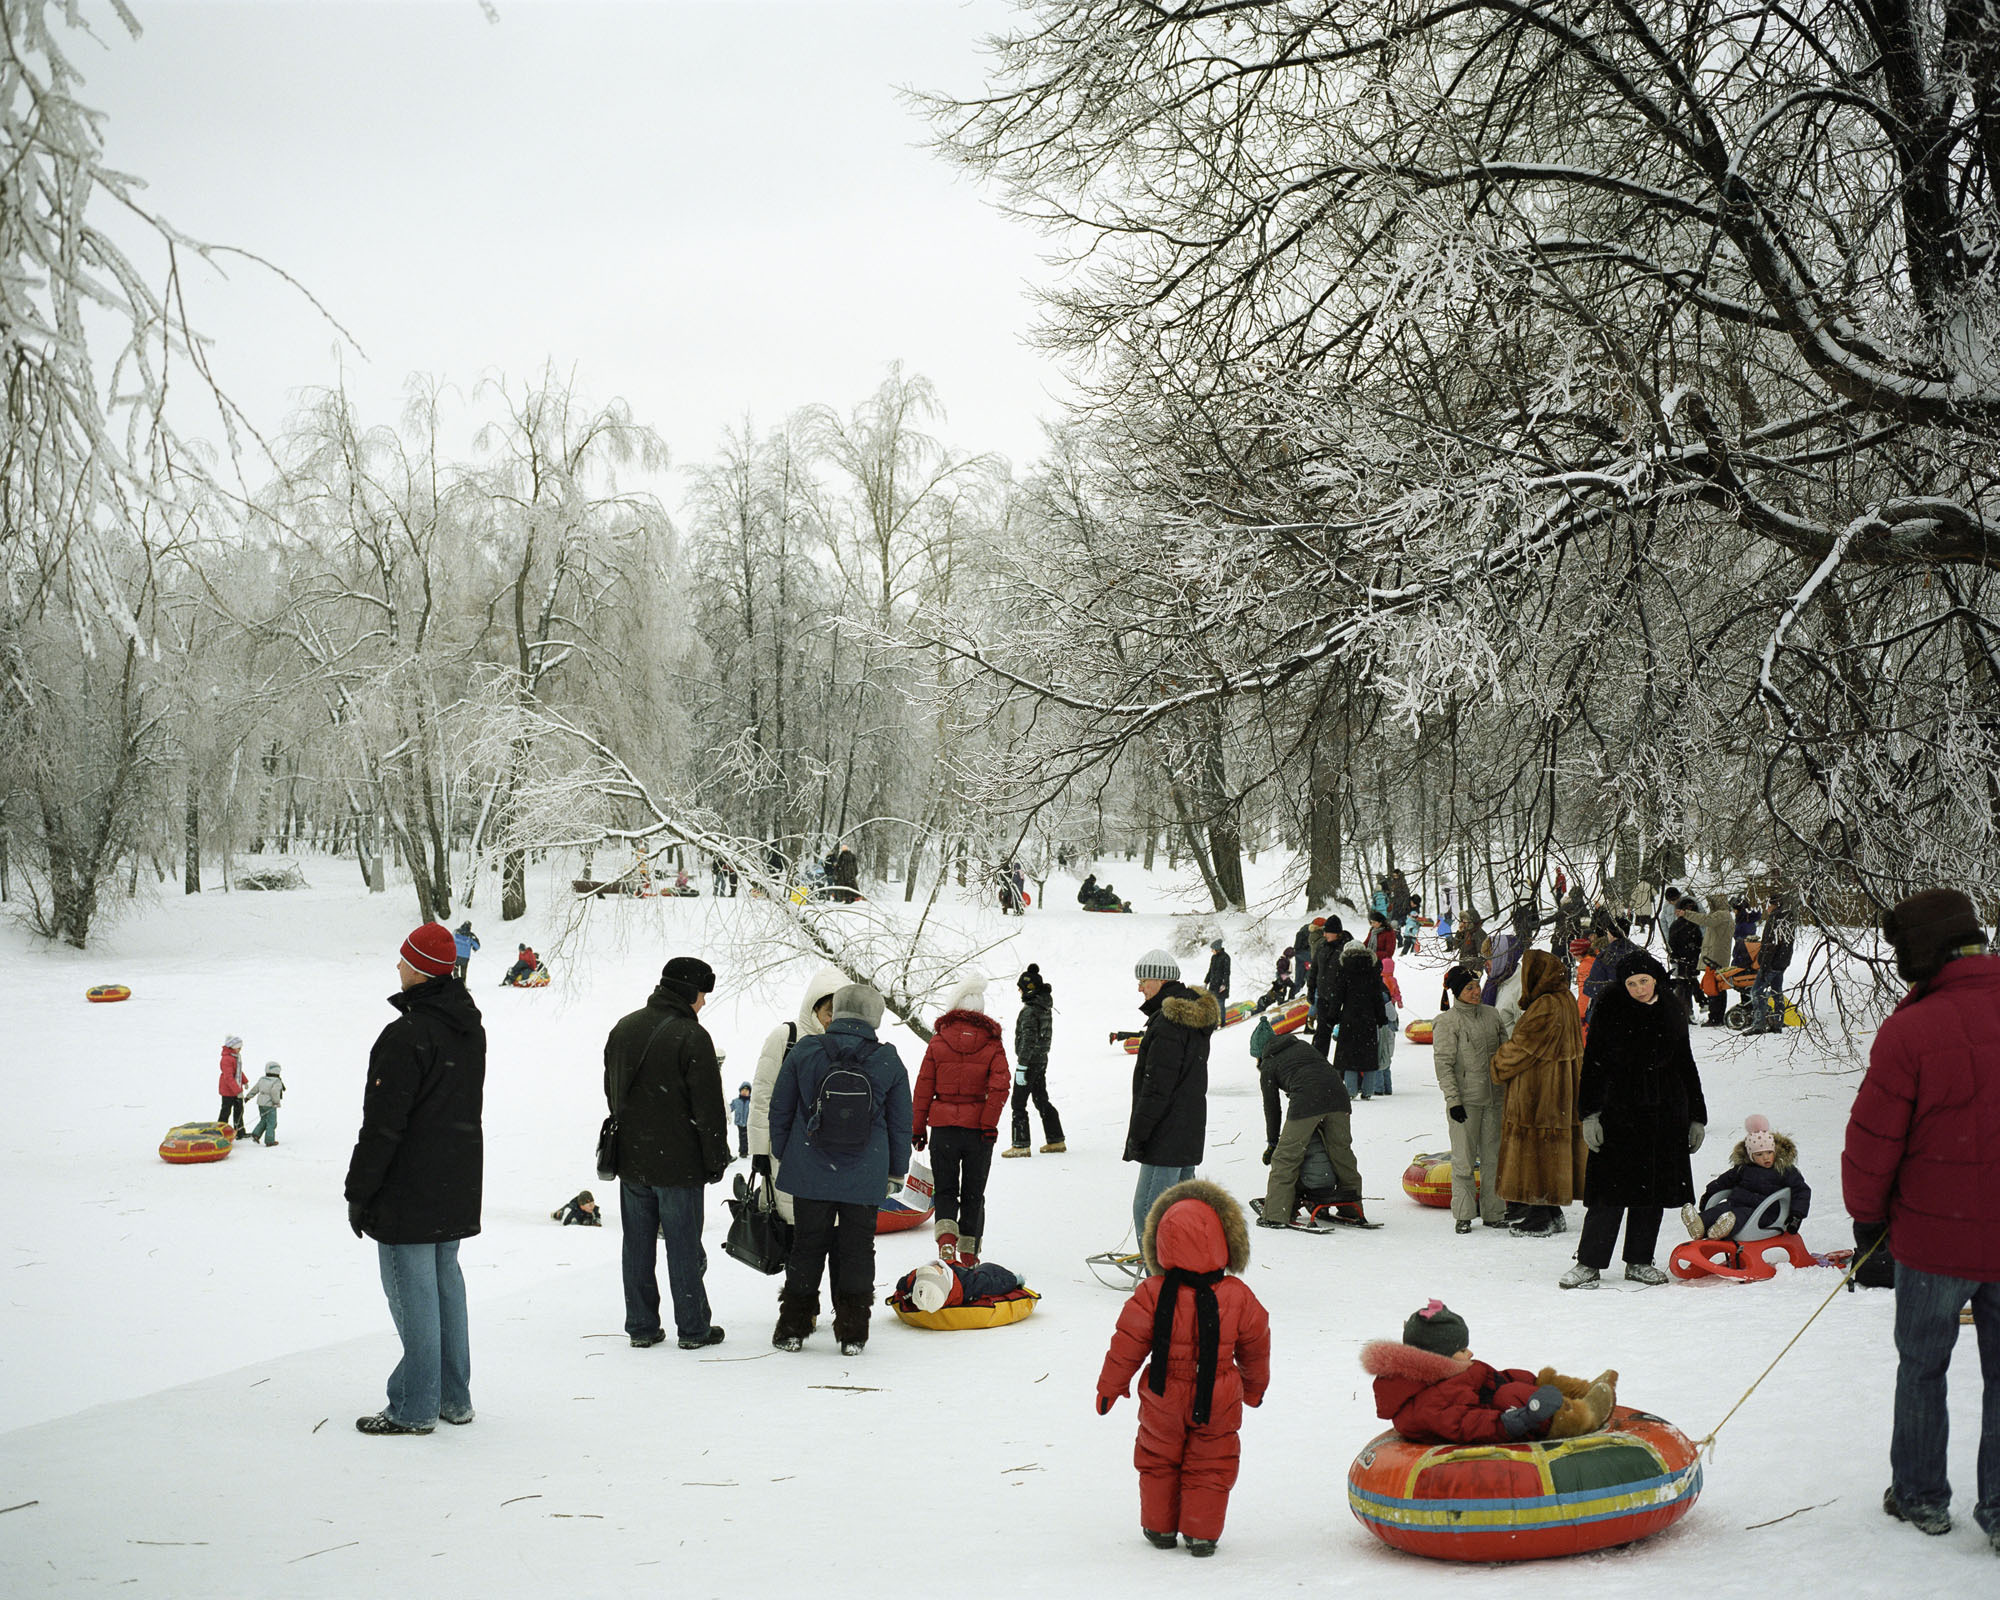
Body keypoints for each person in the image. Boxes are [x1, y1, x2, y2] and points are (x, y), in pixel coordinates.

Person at [1843, 889, 2000, 1545]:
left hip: (1935, 1239)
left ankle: (1920, 1494)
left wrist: (1866, 1217)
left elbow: (1875, 1140)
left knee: (1923, 1367)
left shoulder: (1911, 1030)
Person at [345, 922, 485, 1434]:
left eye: (402, 960)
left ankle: (413, 1405)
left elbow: (383, 1125)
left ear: (421, 969)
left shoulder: (407, 1035)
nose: (397, 967)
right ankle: (452, 1396)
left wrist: (360, 1192)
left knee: (413, 1291)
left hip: (409, 1185)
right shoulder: (468, 1026)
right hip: (455, 1179)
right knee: (444, 1283)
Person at [1095, 1179, 1270, 1558]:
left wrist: (1110, 1385)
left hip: (1162, 1393)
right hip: (1220, 1394)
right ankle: (1201, 1532)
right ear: (1224, 1241)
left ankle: (1159, 1525)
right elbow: (1256, 1345)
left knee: (1158, 1457)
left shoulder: (1152, 1292)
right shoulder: (1238, 1296)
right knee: (1212, 1461)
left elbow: (1127, 1342)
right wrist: (1254, 1387)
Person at [768, 983, 911, 1355]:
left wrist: (788, 1156)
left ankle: (792, 1328)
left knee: (806, 1246)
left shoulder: (805, 1051)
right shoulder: (888, 1060)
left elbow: (779, 1109)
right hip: (865, 1173)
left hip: (810, 1168)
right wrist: (895, 1172)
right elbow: (900, 1123)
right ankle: (852, 1332)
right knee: (858, 1250)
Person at [604, 956, 731, 1352]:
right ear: (688, 991)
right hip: (679, 1164)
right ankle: (692, 1329)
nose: (704, 1004)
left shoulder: (623, 1028)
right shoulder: (693, 1037)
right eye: (702, 995)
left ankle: (641, 1326)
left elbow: (612, 1092)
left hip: (632, 1160)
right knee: (683, 1246)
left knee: (637, 1247)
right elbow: (708, 1108)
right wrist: (716, 1159)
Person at [1561, 951, 1707, 1289]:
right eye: (1631, 983)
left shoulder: (1671, 1008)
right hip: (1619, 1115)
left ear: (1655, 978)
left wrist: (1696, 1116)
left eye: (1643, 981)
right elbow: (1594, 1064)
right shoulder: (1610, 1008)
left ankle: (1639, 1260)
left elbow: (1686, 1063)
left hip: (1665, 1114)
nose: (1639, 989)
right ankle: (1589, 1263)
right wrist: (1590, 1115)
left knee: (1651, 1193)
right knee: (1608, 1194)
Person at [1362, 1300, 1614, 1444]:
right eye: (1461, 1349)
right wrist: (1515, 1421)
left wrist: (1547, 1383)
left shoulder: (1452, 1371)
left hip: (1490, 1413)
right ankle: (1580, 1418)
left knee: (1511, 1384)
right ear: (1437, 1358)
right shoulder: (1426, 1404)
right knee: (1512, 1396)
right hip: (1491, 1427)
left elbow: (1496, 1378)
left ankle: (1580, 1392)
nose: (1470, 1353)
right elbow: (1465, 1424)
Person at [910, 977, 1010, 1265]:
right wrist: (988, 1123)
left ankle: (946, 1242)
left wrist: (918, 1128)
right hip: (978, 1133)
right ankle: (968, 1252)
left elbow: (924, 1086)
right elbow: (1000, 1086)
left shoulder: (938, 1041)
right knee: (973, 1193)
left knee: (945, 1190)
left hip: (943, 1130)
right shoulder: (992, 1044)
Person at [1124, 951, 1220, 1243]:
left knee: (1149, 1210)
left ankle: (1161, 1275)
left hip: (1165, 1132)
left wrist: (1138, 1134)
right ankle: (1183, 1266)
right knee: (1180, 1210)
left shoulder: (1168, 1024)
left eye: (1143, 980)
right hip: (1186, 1129)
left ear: (1161, 979)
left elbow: (1157, 1087)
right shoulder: (1189, 1019)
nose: (1140, 988)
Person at [1489, 951, 1584, 1238]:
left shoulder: (1545, 1006)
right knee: (1552, 1150)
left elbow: (1522, 1048)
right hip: (1560, 1090)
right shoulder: (1565, 998)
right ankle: (1552, 1213)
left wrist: (1497, 1063)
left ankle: (1540, 1214)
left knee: (1536, 1151)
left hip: (1539, 1090)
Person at [748, 963, 847, 1229]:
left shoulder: (846, 1046)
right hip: (786, 1151)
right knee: (791, 1227)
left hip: (830, 1155)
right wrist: (759, 1150)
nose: (832, 1019)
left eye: (839, 1012)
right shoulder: (786, 1037)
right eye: (829, 1011)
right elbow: (762, 1098)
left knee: (823, 1233)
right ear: (813, 1007)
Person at [1249, 1017, 1364, 1227]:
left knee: (1286, 1157)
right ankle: (1352, 1209)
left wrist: (1273, 1143)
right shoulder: (1301, 1045)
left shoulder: (1269, 1063)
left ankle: (1275, 1214)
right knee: (1342, 1154)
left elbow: (1272, 1107)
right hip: (1338, 1095)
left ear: (1259, 1052)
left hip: (1307, 1100)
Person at [1432, 966, 1508, 1232]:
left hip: (1495, 1098)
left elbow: (1505, 1054)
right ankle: (1463, 1214)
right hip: (1465, 1101)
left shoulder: (1492, 1015)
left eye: (1477, 986)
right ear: (1457, 993)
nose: (1476, 992)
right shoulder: (1447, 1022)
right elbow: (1443, 1064)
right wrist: (1453, 1100)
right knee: (1463, 1160)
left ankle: (1494, 1211)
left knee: (1493, 1158)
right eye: (1469, 988)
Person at [1683, 1114, 1810, 1240]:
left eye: (1769, 1152)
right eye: (1759, 1154)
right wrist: (1709, 1194)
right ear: (1751, 1156)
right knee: (1719, 1210)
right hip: (1735, 1204)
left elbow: (1801, 1191)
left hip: (1764, 1213)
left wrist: (1796, 1216)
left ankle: (1723, 1229)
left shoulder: (1784, 1170)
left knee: (1737, 1216)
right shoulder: (1744, 1168)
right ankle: (1699, 1225)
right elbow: (1723, 1181)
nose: (1766, 1157)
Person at [1004, 964, 1065, 1157]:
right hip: (1041, 1060)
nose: (1019, 991)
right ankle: (1056, 1140)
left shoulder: (1030, 1011)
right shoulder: (1044, 1007)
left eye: (1021, 988)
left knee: (1018, 1103)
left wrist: (1021, 1067)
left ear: (1028, 988)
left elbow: (1028, 1042)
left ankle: (1020, 1145)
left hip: (1029, 1062)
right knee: (1041, 1099)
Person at [1327, 934, 1386, 1100]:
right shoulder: (1372, 969)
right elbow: (1377, 996)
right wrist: (1381, 1017)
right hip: (1369, 1017)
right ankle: (1368, 1091)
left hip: (1349, 1017)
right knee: (1369, 1055)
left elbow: (1337, 996)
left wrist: (1332, 1016)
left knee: (1349, 1056)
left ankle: (1351, 1091)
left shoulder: (1344, 970)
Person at [1749, 894, 1796, 1033]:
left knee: (1757, 991)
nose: (1766, 908)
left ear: (1773, 905)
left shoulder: (1775, 919)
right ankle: (1777, 1022)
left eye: (1767, 905)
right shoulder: (1788, 919)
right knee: (1777, 993)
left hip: (1771, 963)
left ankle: (1759, 1024)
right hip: (1782, 962)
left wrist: (1763, 965)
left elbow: (1770, 945)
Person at [1665, 898, 1704, 1022]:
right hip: (1683, 959)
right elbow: (1672, 943)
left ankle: (1688, 1010)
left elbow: (1699, 942)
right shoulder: (1679, 925)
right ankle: (1687, 1011)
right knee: (1684, 985)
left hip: (1689, 958)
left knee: (1687, 984)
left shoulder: (1691, 925)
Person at [244, 1062, 284, 1147]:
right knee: (271, 1122)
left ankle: (256, 1134)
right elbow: (274, 1092)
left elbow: (255, 1088)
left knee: (264, 1119)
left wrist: (248, 1097)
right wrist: (276, 1102)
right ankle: (269, 1141)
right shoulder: (277, 1081)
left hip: (261, 1103)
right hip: (270, 1104)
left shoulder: (262, 1079)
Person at [217, 1035, 249, 1137]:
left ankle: (239, 1132)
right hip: (227, 1091)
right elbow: (228, 1077)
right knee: (226, 1111)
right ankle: (220, 1132)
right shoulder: (226, 1059)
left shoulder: (235, 1057)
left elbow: (238, 1071)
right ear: (232, 1046)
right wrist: (238, 1091)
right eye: (239, 1047)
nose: (240, 1049)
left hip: (236, 1089)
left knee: (239, 1110)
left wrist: (245, 1081)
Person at [1204, 938, 1231, 1005]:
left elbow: (1226, 973)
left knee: (1220, 1005)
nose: (1211, 951)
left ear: (1217, 949)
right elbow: (1210, 971)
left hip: (1221, 987)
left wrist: (1224, 984)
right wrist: (1206, 982)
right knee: (1211, 1005)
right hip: (1213, 985)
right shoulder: (1213, 957)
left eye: (1212, 949)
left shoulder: (1226, 957)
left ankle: (1222, 1016)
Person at [731, 1082, 752, 1159]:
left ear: (749, 1092)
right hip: (739, 1122)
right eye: (743, 1090)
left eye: (747, 1091)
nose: (744, 1092)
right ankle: (743, 1151)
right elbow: (730, 1108)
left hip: (748, 1122)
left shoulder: (751, 1101)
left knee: (747, 1137)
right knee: (742, 1136)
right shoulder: (736, 1101)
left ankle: (745, 1151)